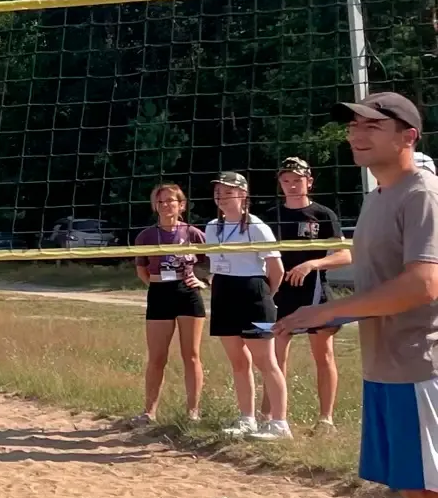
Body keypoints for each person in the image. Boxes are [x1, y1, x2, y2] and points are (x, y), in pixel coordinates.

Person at [275, 91, 438, 498]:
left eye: (374, 125)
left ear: (408, 137)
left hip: (424, 366)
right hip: (388, 364)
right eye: (354, 125)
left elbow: (423, 285)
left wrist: (322, 313)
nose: (358, 133)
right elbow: (377, 281)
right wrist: (332, 310)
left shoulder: (422, 193)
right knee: (419, 496)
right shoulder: (379, 196)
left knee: (435, 496)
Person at [203, 173, 291, 440]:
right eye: (218, 191)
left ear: (243, 195)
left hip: (254, 293)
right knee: (238, 362)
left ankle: (279, 423)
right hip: (223, 292)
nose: (222, 196)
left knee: (266, 361)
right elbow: (215, 266)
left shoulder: (256, 227)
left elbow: (277, 271)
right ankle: (247, 418)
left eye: (228, 191)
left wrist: (265, 297)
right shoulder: (211, 227)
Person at [267, 157, 345, 434]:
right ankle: (274, 418)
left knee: (323, 355)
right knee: (275, 357)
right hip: (280, 293)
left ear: (309, 181)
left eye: (297, 180)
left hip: (314, 292)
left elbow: (344, 254)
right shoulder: (272, 215)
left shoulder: (323, 215)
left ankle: (325, 420)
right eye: (286, 180)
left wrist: (313, 264)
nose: (291, 185)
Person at [128, 182, 207, 426]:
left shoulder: (193, 233)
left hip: (188, 293)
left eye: (170, 201)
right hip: (160, 293)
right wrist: (156, 283)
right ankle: (149, 411)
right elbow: (141, 268)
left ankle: (193, 412)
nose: (165, 205)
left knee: (191, 355)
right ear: (155, 206)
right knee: (157, 357)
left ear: (180, 204)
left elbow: (216, 259)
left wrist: (203, 280)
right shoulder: (147, 236)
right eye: (160, 201)